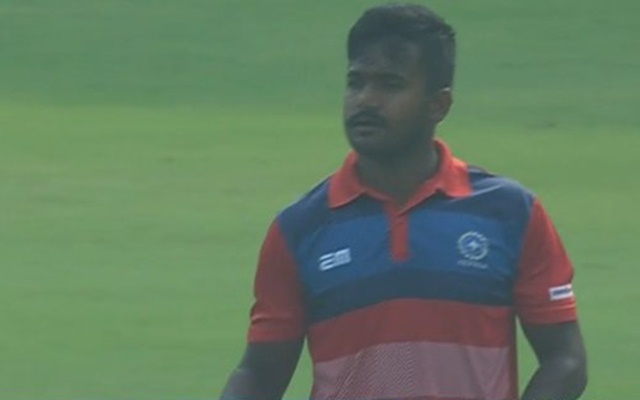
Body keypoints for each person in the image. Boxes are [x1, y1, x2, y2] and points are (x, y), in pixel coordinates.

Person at [220, 3, 587, 400]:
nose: (366, 100)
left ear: (438, 104)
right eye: (356, 82)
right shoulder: (299, 229)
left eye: (390, 85)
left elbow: (565, 359)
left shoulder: (510, 214)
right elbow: (259, 375)